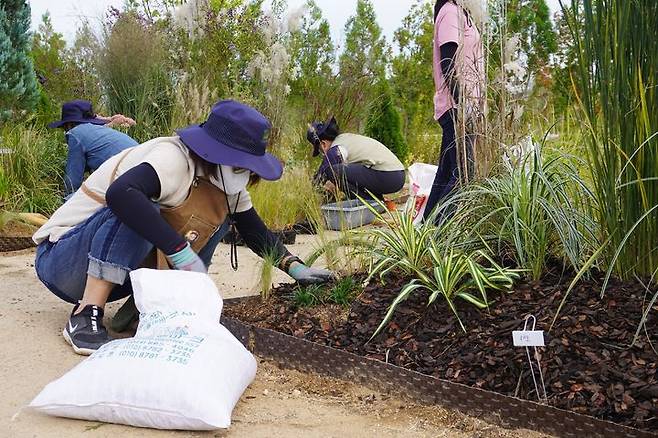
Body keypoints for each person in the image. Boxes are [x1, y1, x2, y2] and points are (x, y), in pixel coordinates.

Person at [33, 100, 335, 355]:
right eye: (240, 166)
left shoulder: (226, 185)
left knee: (219, 215)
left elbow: (253, 228)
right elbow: (120, 195)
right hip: (62, 259)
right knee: (139, 205)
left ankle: (154, 309)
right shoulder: (171, 158)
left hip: (112, 267)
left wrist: (294, 267)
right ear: (215, 154)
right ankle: (86, 313)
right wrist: (179, 251)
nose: (244, 175)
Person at [423, 0, 484, 223]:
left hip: (464, 107)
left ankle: (425, 231)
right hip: (456, 108)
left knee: (446, 173)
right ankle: (441, 234)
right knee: (464, 175)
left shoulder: (462, 13)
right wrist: (463, 105)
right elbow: (448, 64)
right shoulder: (450, 12)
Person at [48, 99, 138, 196]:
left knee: (71, 199)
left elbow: (73, 181)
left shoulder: (75, 133)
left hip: (131, 180)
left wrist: (63, 196)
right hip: (146, 169)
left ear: (69, 125)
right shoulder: (100, 132)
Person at [307, 117, 405, 201]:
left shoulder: (337, 148)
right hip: (396, 174)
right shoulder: (345, 139)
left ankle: (368, 203)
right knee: (341, 171)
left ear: (323, 144)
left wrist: (308, 193)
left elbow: (322, 175)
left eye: (320, 150)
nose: (323, 154)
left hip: (388, 176)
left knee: (331, 171)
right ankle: (376, 200)